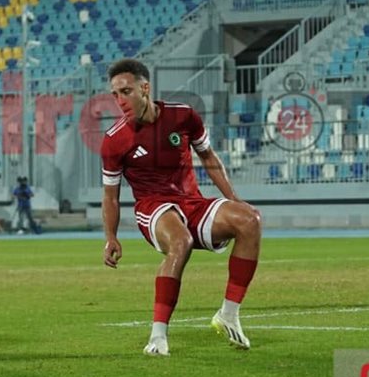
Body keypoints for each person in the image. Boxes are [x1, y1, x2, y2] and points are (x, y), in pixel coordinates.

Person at [101, 58, 261, 357]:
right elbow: (110, 195)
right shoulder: (114, 140)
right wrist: (111, 236)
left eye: (126, 91)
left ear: (145, 88)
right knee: (181, 241)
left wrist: (234, 199)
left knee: (249, 220)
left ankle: (228, 314)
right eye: (115, 94)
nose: (120, 100)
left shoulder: (183, 116)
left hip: (191, 202)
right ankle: (158, 336)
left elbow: (209, 158)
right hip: (152, 207)